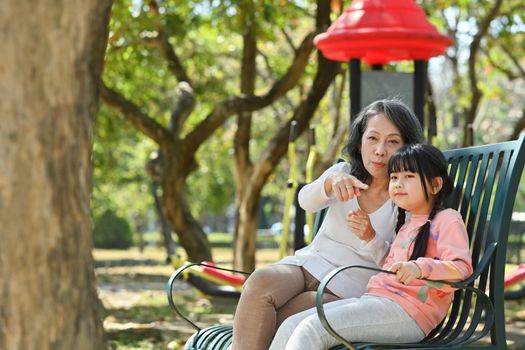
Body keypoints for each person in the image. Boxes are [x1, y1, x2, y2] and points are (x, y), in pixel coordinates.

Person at [230, 100, 424, 350]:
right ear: (360, 141)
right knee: (260, 282)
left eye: (393, 142)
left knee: (284, 317)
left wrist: (370, 236)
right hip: (308, 265)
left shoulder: (406, 195)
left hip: (348, 285)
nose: (379, 150)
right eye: (372, 138)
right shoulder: (344, 172)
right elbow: (304, 202)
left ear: (408, 147)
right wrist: (330, 182)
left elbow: (399, 264)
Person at [268, 143, 473, 350]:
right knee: (291, 324)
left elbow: (462, 268)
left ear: (435, 185)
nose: (398, 184)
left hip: (409, 313)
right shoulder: (408, 224)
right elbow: (390, 266)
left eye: (408, 176)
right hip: (377, 302)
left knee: (312, 329)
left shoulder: (448, 219)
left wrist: (420, 268)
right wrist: (370, 237)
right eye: (394, 177)